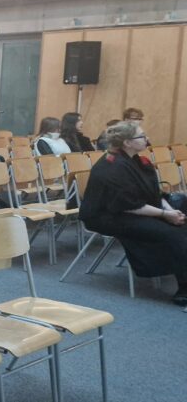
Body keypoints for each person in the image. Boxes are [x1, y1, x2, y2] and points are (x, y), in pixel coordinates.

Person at [80, 121, 187, 305]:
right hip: (107, 216)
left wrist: (170, 211)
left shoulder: (136, 160)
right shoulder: (112, 166)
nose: (147, 139)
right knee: (171, 233)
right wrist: (164, 215)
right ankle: (184, 289)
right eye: (142, 136)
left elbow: (154, 194)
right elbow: (129, 205)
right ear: (127, 143)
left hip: (129, 209)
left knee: (180, 220)